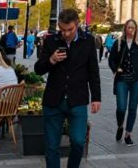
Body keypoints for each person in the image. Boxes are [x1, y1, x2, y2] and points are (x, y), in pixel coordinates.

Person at [33, 9, 101, 168]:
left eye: (70, 29)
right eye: (62, 30)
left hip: (77, 99)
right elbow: (38, 69)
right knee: (51, 145)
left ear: (77, 24)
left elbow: (93, 71)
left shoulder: (88, 41)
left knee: (78, 141)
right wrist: (51, 60)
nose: (66, 34)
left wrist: (96, 97)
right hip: (53, 100)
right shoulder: (51, 41)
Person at [108, 19, 138, 145]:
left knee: (132, 107)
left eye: (133, 28)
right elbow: (111, 60)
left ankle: (128, 133)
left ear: (136, 29)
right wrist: (116, 69)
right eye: (129, 27)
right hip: (122, 79)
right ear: (125, 28)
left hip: (137, 79)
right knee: (121, 107)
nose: (131, 30)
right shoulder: (119, 42)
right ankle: (120, 126)